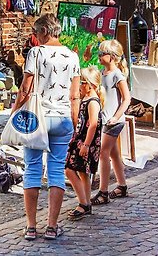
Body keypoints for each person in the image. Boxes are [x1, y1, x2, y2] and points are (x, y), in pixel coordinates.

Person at [12, 13, 80, 240]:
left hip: (38, 118)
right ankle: (52, 226)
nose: (35, 38)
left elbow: (25, 87)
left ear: (45, 31)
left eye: (36, 33)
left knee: (32, 169)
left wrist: (14, 112)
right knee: (56, 171)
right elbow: (75, 95)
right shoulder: (72, 56)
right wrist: (75, 120)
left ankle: (31, 227)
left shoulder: (37, 53)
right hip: (62, 119)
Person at [90, 40, 131, 205]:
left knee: (103, 153)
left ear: (113, 57)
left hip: (113, 121)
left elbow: (126, 98)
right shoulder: (103, 73)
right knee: (114, 154)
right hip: (106, 119)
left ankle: (103, 191)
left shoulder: (117, 75)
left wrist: (116, 116)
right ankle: (122, 185)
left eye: (103, 54)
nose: (99, 56)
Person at [65, 66, 104, 220]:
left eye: (82, 82)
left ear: (90, 84)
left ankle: (83, 202)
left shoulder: (93, 102)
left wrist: (86, 144)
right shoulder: (86, 99)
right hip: (80, 140)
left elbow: (93, 124)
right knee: (82, 172)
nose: (79, 85)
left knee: (69, 169)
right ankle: (86, 201)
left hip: (86, 142)